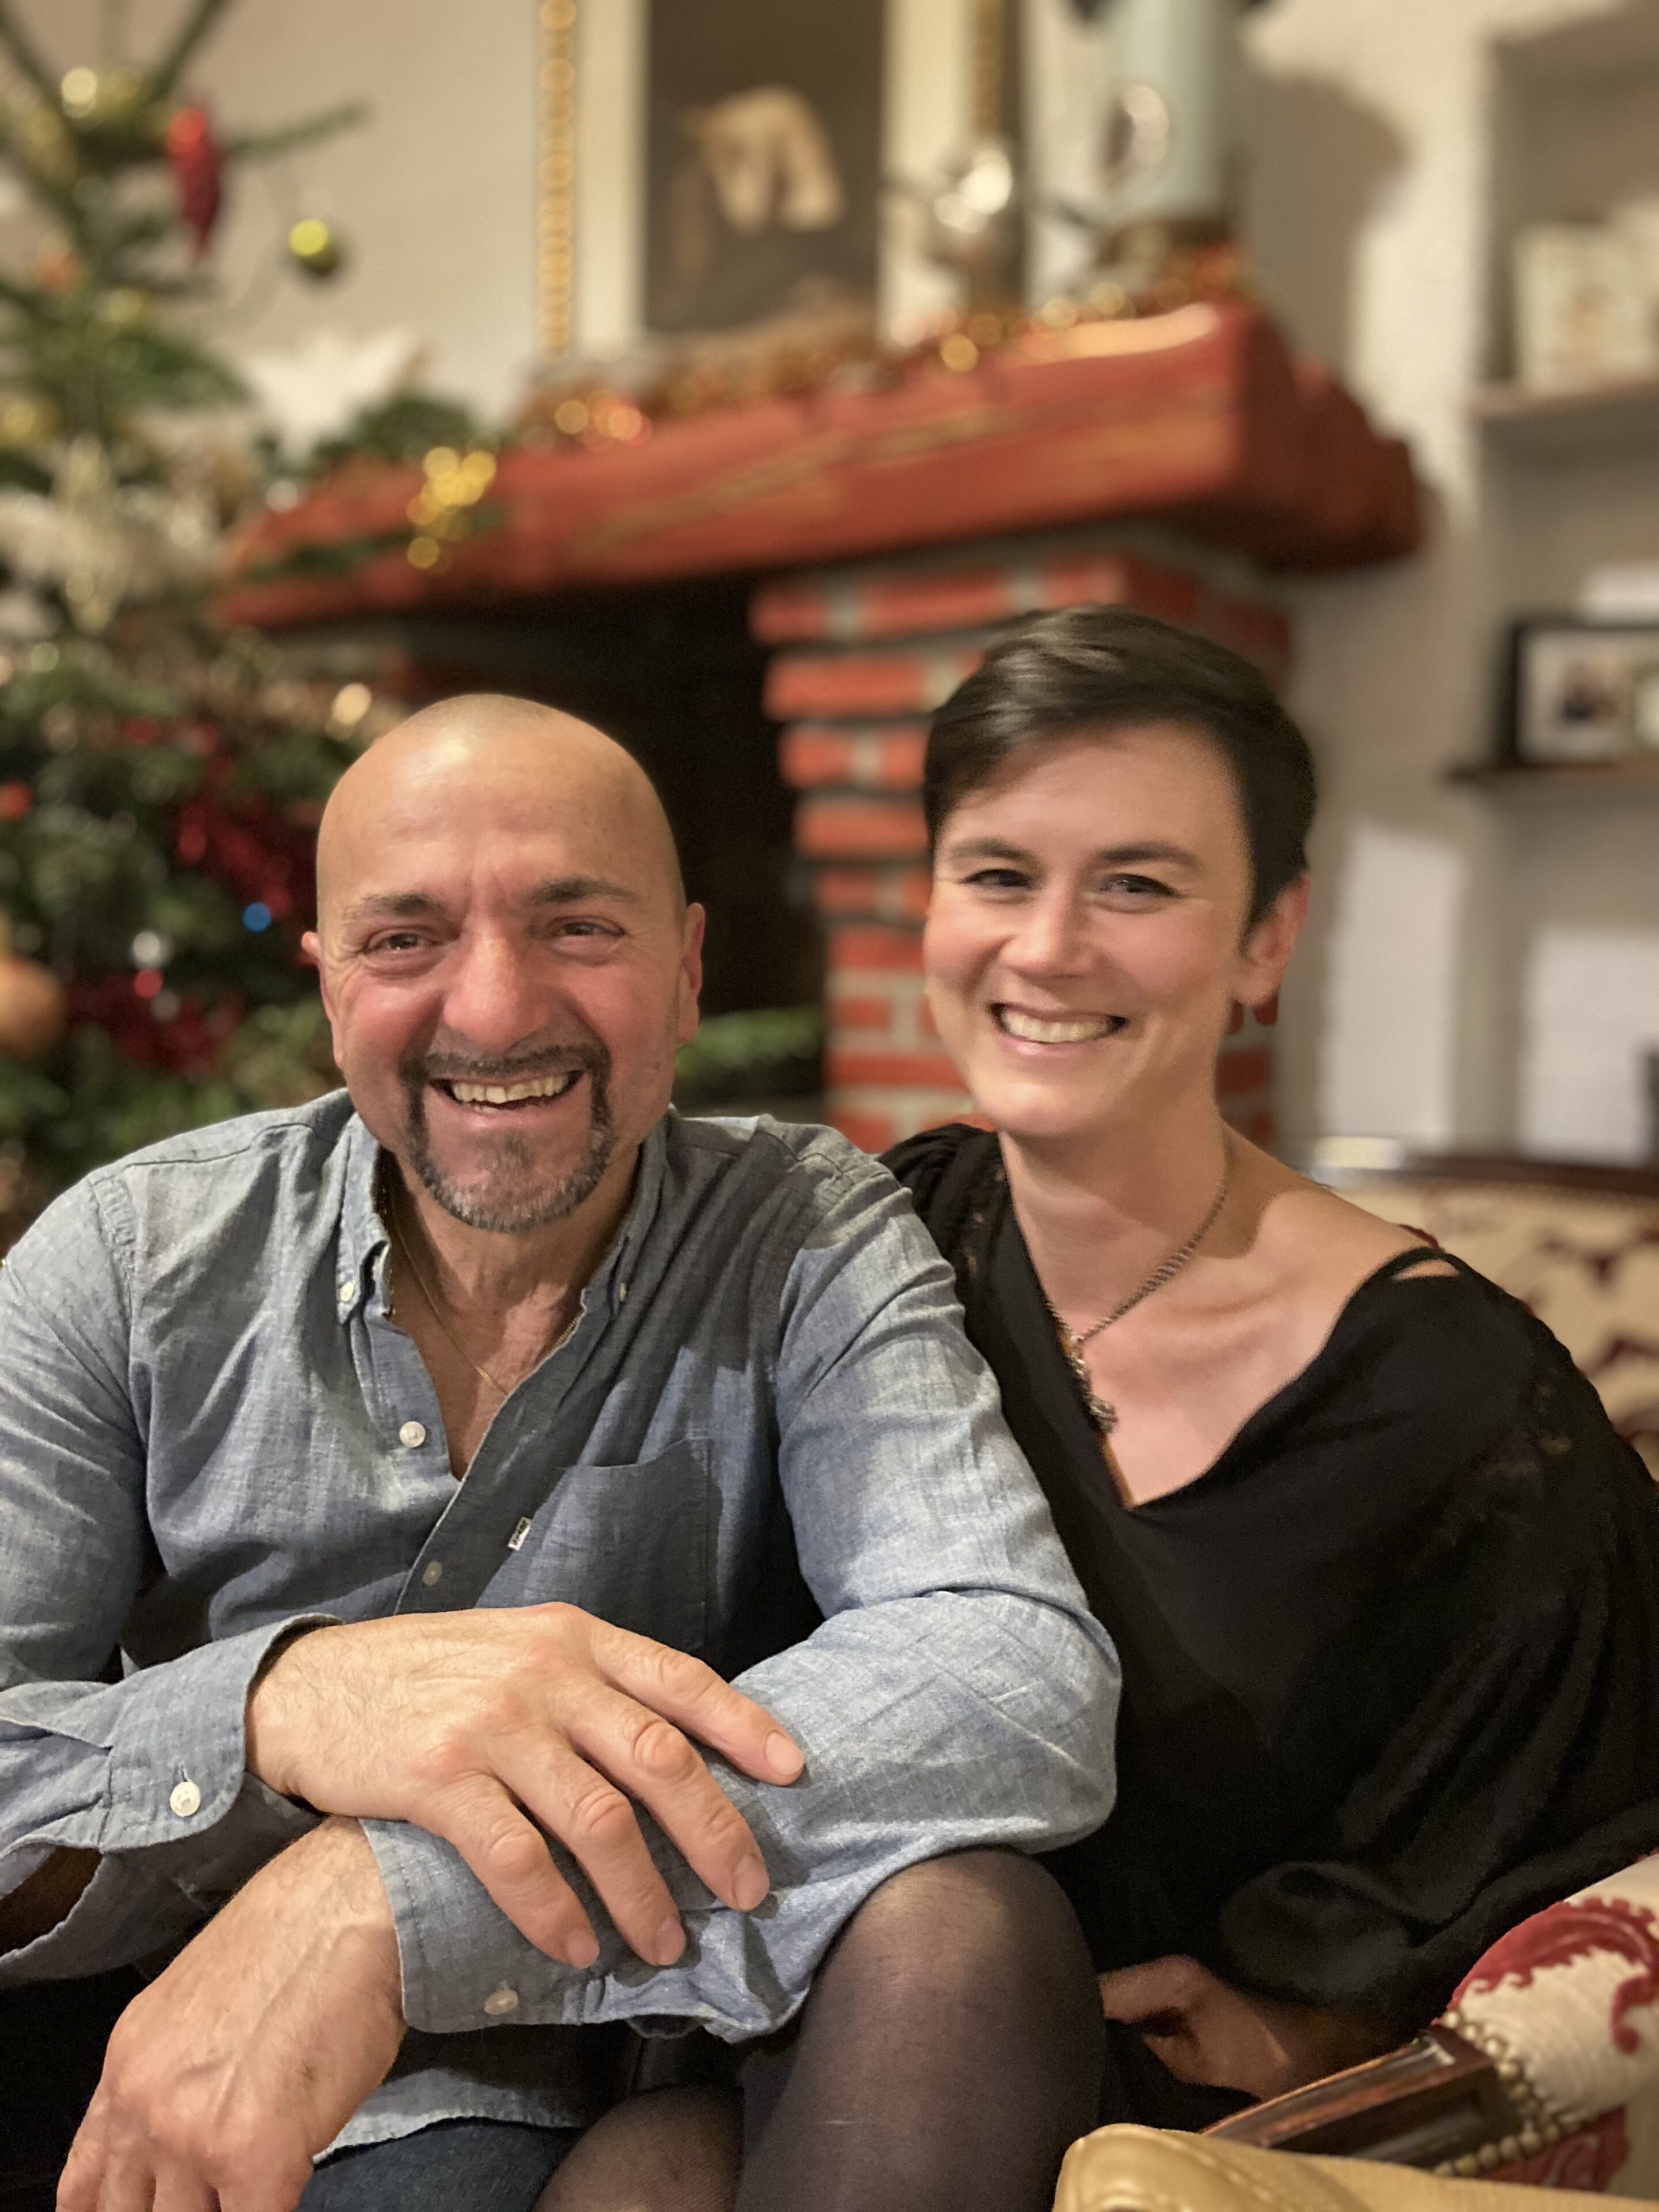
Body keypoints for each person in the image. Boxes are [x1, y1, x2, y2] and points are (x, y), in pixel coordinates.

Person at [0, 696, 1117, 2212]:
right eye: (406, 941)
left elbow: (1009, 1670)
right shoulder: (127, 1267)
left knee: (977, 1922)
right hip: (207, 2095)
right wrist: (278, 1707)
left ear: (688, 967)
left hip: (659, 2045)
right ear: (330, 989)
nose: (495, 1005)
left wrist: (386, 1894)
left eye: (575, 924)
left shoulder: (801, 1229)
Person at [889, 604, 1659, 2126]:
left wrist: (1341, 2019)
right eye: (997, 875)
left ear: (1267, 940)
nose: (1047, 948)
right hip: (806, 2029)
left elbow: (1594, 1801)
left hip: (1159, 2139)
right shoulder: (886, 1240)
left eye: (1138, 885)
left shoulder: (1459, 1402)